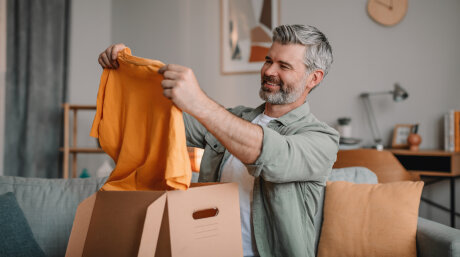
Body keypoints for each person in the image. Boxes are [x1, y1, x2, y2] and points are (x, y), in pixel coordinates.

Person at [98, 24, 339, 257]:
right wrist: (127, 71)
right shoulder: (234, 117)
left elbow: (264, 153)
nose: (268, 71)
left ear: (313, 78)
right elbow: (158, 122)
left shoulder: (322, 139)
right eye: (268, 60)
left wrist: (199, 102)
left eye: (283, 65)